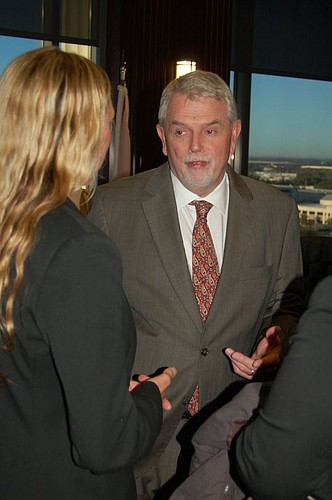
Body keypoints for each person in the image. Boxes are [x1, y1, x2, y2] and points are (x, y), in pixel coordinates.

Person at [88, 69, 304, 498]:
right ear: (161, 136)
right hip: (141, 434)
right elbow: (92, 321)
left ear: (235, 133)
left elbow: (289, 304)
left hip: (230, 440)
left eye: (211, 129)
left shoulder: (275, 212)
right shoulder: (113, 206)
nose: (196, 147)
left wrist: (277, 340)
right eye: (181, 131)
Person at [0, 47, 176, 500]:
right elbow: (105, 444)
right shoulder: (79, 249)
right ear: (83, 131)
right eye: (106, 118)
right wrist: (149, 401)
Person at [171, 275, 332, 500]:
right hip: (155, 430)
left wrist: (282, 350)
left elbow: (287, 303)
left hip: (237, 450)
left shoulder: (327, 302)